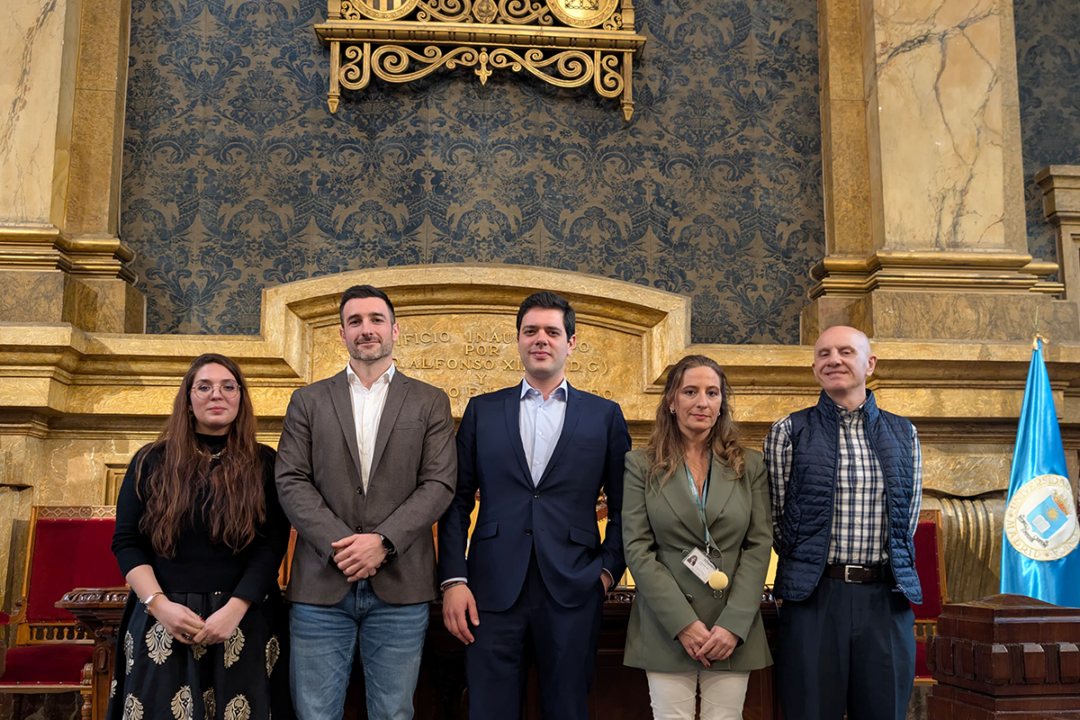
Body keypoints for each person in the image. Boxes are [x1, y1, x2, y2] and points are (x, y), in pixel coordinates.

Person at [437, 291, 631, 720]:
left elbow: (626, 509)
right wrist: (453, 580)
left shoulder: (604, 416)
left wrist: (605, 574)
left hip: (574, 589)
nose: (540, 339)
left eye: (552, 331)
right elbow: (456, 501)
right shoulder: (482, 411)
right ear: (519, 340)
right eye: (531, 331)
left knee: (567, 710)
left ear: (570, 342)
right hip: (488, 592)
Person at [275, 284, 457, 720]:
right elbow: (290, 479)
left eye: (376, 319)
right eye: (354, 321)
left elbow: (439, 483)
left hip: (401, 587)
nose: (366, 329)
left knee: (393, 713)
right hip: (321, 585)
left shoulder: (429, 400)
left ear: (395, 329)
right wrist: (344, 545)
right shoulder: (308, 400)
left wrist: (382, 542)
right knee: (315, 714)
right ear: (342, 334)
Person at [109, 353, 293, 720]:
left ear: (241, 398)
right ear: (188, 399)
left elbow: (271, 545)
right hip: (163, 617)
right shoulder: (150, 461)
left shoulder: (265, 463)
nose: (217, 395)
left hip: (244, 617)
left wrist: (234, 610)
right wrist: (159, 606)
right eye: (204, 387)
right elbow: (127, 542)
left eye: (228, 387)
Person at [764, 325, 923, 720]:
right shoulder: (788, 432)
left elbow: (907, 519)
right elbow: (776, 520)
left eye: (845, 352)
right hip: (815, 600)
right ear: (815, 368)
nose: (833, 360)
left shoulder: (904, 433)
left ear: (869, 364)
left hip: (886, 600)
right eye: (824, 354)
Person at [622, 355, 772, 720]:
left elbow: (758, 546)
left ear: (722, 403)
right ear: (672, 401)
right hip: (668, 624)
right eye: (690, 391)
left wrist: (733, 624)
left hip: (731, 626)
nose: (702, 402)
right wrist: (683, 624)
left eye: (712, 392)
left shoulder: (749, 465)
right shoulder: (641, 465)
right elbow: (638, 548)